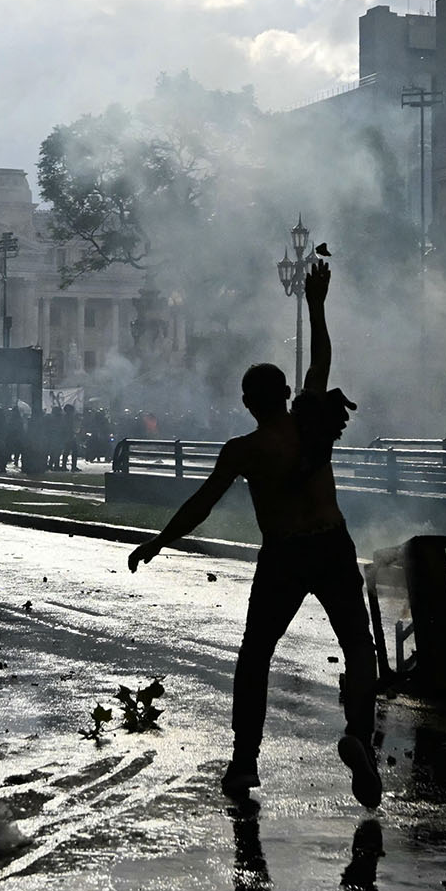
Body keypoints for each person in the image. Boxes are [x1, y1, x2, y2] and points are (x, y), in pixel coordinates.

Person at [128, 258, 380, 808]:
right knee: (358, 646)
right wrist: (316, 303)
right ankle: (359, 735)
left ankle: (245, 762)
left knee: (256, 654)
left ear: (247, 403)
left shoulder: (242, 450)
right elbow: (323, 359)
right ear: (287, 392)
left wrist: (159, 542)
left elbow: (201, 504)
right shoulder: (310, 422)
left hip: (285, 554)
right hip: (332, 541)